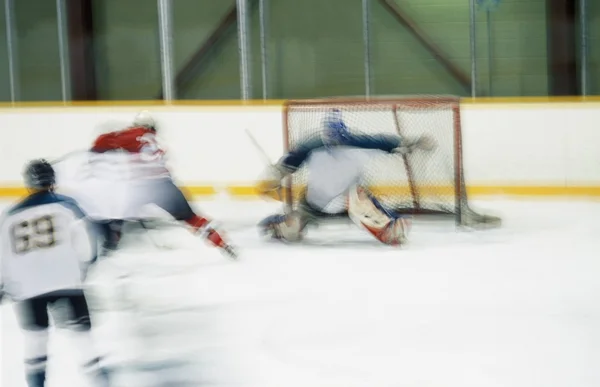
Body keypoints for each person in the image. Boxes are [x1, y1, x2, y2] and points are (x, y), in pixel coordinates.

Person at [0, 159, 110, 387]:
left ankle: (37, 384)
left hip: (28, 287)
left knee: (36, 342)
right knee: (83, 338)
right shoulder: (67, 204)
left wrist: (5, 286)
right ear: (53, 181)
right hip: (67, 280)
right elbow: (91, 240)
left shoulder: (10, 215)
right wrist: (87, 267)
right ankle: (100, 383)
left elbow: (3, 256)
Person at [258, 109, 435, 245]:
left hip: (340, 199)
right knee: (294, 230)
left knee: (357, 196)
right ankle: (280, 224)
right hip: (316, 202)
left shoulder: (355, 143)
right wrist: (272, 179)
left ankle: (387, 225)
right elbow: (285, 166)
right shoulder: (313, 146)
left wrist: (413, 142)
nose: (333, 140)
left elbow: (387, 142)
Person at [85, 110, 236, 258]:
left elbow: (101, 143)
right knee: (192, 218)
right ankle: (223, 244)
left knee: (115, 214)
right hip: (166, 186)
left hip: (140, 189)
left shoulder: (130, 134)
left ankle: (109, 247)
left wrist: (98, 151)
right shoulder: (157, 142)